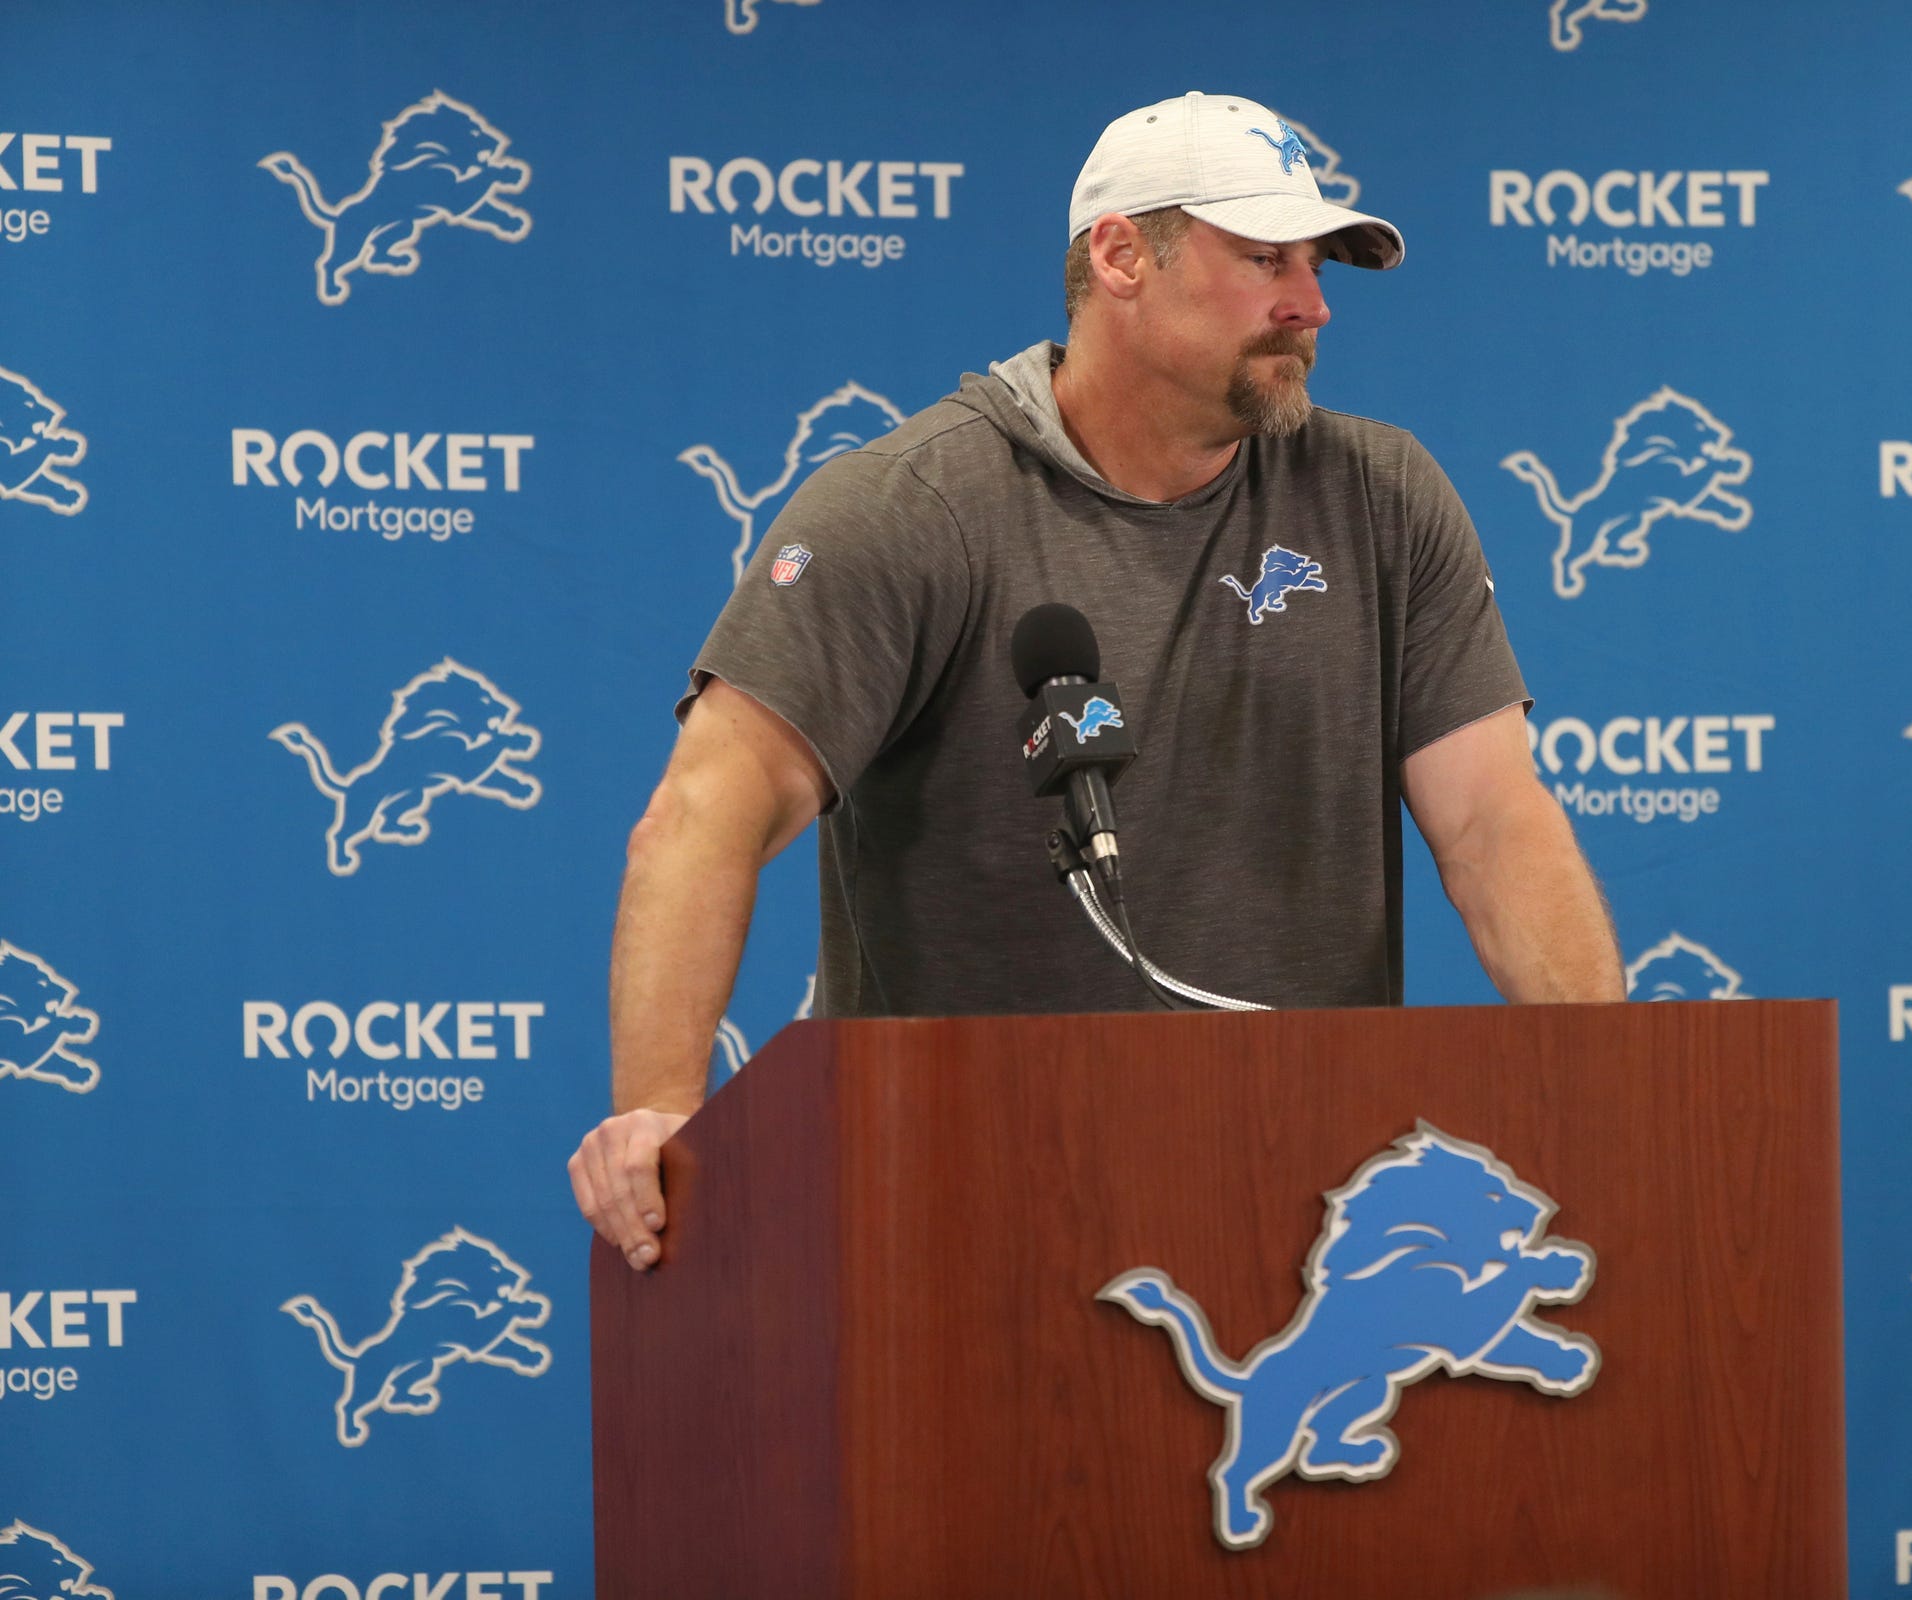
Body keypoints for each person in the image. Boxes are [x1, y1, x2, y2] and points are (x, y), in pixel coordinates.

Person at [570, 91, 1624, 1272]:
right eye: (1265, 257)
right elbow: (705, 814)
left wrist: (1617, 1096)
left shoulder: (1378, 493)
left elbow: (1492, 821)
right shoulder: (916, 507)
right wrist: (655, 1108)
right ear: (1121, 254)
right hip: (961, 1206)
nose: (1313, 304)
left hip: (1309, 1197)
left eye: (1319, 264)